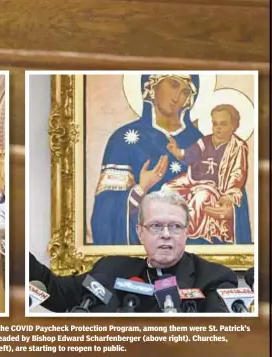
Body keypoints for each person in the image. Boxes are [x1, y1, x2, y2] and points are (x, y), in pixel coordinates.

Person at [30, 192, 238, 313]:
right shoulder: (110, 270)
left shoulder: (214, 278)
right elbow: (56, 292)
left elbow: (218, 335)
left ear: (186, 233)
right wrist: (15, 252)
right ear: (140, 232)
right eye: (156, 226)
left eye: (175, 226)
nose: (166, 235)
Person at [91, 74, 204, 245]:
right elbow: (106, 212)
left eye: (185, 92)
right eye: (173, 84)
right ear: (152, 87)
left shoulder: (200, 142)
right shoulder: (123, 139)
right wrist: (142, 188)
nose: (176, 97)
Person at [165, 103, 251, 244]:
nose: (218, 128)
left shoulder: (238, 147)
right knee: (167, 189)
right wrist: (177, 151)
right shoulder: (205, 141)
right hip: (193, 179)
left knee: (200, 198)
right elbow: (190, 154)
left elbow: (238, 171)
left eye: (223, 124)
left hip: (213, 187)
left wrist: (229, 195)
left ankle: (186, 232)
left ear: (233, 126)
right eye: (215, 123)